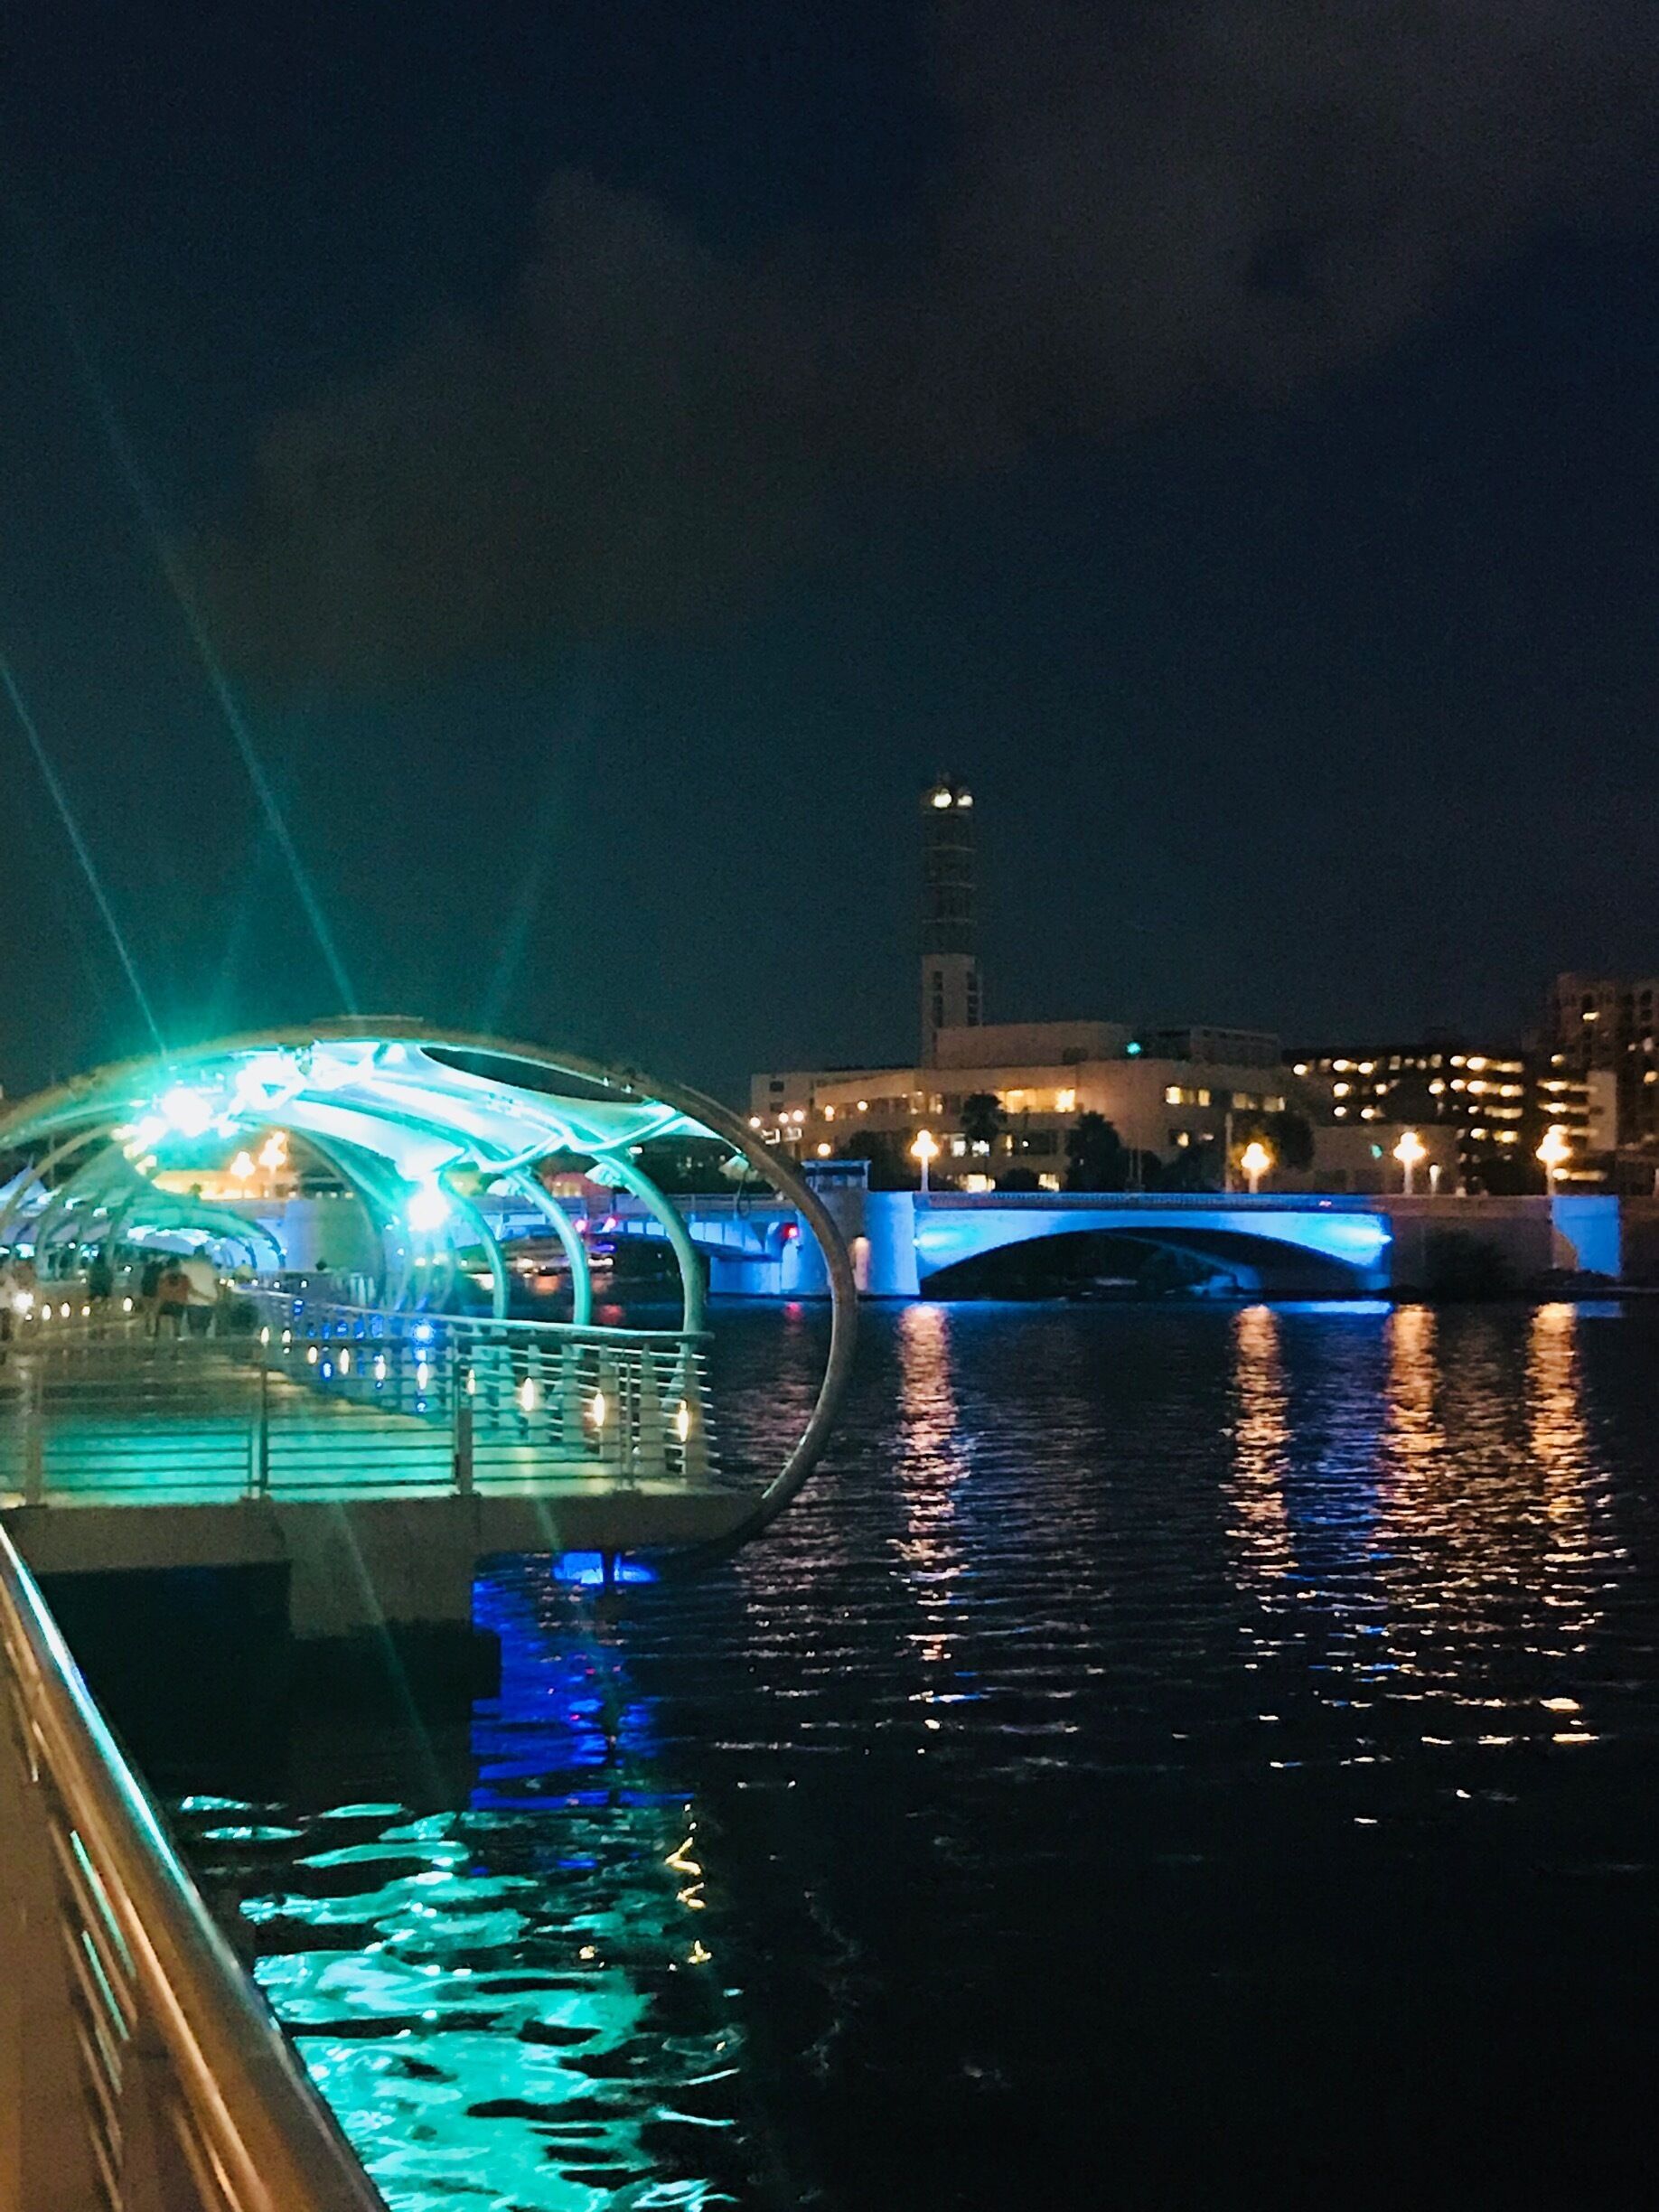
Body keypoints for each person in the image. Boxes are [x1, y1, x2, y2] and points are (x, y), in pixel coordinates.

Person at [182, 1248, 220, 1337]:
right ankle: (204, 1347)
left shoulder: (187, 1266)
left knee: (194, 1328)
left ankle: (195, 1348)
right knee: (205, 1327)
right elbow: (217, 1283)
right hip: (210, 1301)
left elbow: (185, 1284)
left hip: (193, 1301)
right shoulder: (211, 1267)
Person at [155, 1261, 192, 1341]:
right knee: (177, 1327)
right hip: (179, 1303)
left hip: (166, 1303)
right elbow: (188, 1289)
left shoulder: (163, 1279)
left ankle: (159, 1341)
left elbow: (160, 1293)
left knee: (161, 1326)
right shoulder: (184, 1278)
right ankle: (176, 1343)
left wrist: (157, 1308)